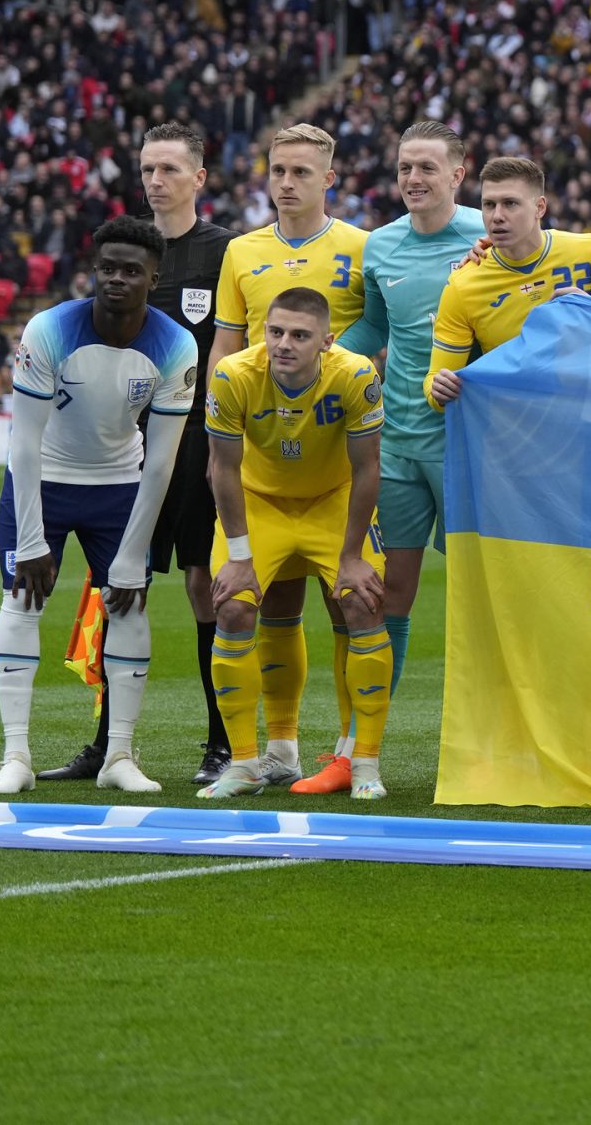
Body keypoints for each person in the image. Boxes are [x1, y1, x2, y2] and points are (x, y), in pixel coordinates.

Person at [36, 123, 233, 786]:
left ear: (199, 176)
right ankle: (107, 744)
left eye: (170, 168)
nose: (156, 179)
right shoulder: (123, 247)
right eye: (148, 168)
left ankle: (222, 742)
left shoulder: (224, 253)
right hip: (123, 447)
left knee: (206, 584)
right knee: (118, 586)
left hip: (199, 447)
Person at [0, 219, 200, 796]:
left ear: (154, 278)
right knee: (22, 600)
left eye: (132, 271)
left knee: (128, 606)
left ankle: (119, 758)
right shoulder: (49, 329)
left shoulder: (177, 345)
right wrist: (30, 541)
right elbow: (22, 445)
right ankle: (15, 758)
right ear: (93, 270)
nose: (117, 279)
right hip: (43, 481)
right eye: (108, 268)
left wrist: (133, 557)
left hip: (119, 485)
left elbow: (161, 463)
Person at [211, 122, 373, 795]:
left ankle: (346, 752)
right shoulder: (240, 251)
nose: (287, 182)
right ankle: (277, 749)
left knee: (347, 601)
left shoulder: (365, 248)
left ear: (329, 177)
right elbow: (225, 343)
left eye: (302, 171)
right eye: (278, 169)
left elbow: (383, 331)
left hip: (338, 449)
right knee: (263, 602)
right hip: (259, 455)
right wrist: (215, 419)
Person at [201, 289, 389, 800]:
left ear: (326, 341)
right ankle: (244, 765)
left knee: (362, 603)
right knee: (234, 610)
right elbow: (221, 469)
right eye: (276, 331)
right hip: (260, 503)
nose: (284, 344)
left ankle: (365, 763)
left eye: (300, 335)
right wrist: (240, 559)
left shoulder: (356, 375)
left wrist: (351, 557)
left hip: (333, 500)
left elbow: (368, 467)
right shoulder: (234, 374)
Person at [337, 121, 482, 776]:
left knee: (485, 592)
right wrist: (327, 356)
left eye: (426, 167)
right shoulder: (381, 246)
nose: (413, 180)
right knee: (386, 591)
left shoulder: (489, 234)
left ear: (459, 171)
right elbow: (374, 324)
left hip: (472, 448)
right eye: (403, 168)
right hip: (396, 444)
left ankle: (492, 738)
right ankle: (360, 745)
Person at [427, 159, 591, 407]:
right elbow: (435, 381)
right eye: (489, 205)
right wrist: (439, 390)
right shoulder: (463, 285)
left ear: (540, 207)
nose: (497, 216)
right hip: (517, 430)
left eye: (510, 204)